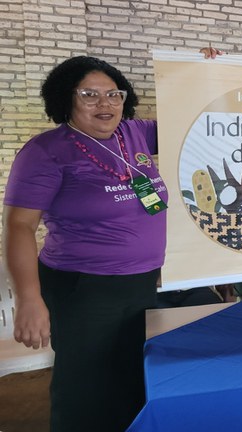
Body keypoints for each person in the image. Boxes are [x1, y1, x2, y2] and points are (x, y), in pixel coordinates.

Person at [2, 56, 168, 431]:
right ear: (67, 99)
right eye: (89, 95)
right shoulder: (46, 152)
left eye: (114, 94)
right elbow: (19, 227)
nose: (104, 104)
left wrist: (204, 71)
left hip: (140, 284)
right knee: (85, 390)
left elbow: (195, 119)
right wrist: (29, 299)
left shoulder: (135, 133)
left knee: (131, 378)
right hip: (83, 289)